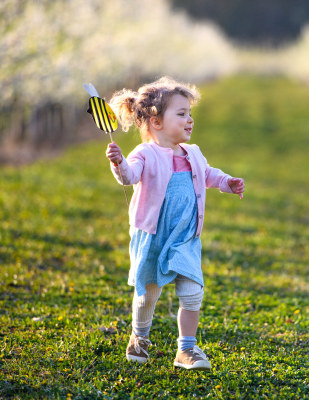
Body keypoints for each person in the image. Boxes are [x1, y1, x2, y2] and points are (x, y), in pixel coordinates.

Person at [105, 77, 245, 370]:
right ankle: (139, 338)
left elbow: (207, 174)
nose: (189, 120)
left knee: (193, 291)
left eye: (189, 113)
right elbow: (129, 177)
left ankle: (186, 349)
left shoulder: (192, 152)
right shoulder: (145, 153)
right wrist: (118, 163)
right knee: (148, 295)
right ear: (155, 122)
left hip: (185, 237)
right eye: (181, 114)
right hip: (154, 236)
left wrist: (226, 182)